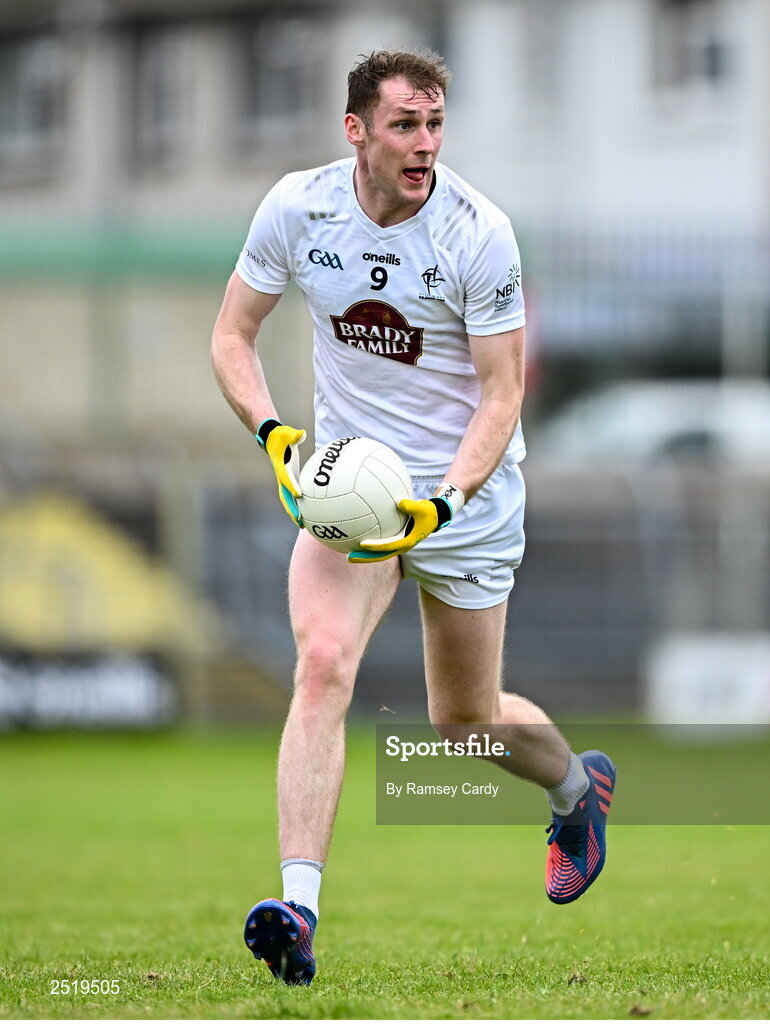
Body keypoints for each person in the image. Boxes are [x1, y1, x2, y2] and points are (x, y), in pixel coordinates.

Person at [211, 48, 615, 987]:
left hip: (460, 498)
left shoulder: (478, 233)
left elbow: (502, 393)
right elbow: (233, 335)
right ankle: (297, 911)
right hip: (346, 485)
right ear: (356, 130)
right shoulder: (297, 208)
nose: (424, 144)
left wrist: (442, 500)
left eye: (435, 123)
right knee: (320, 665)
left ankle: (574, 789)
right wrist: (275, 436)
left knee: (460, 723)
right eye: (404, 125)